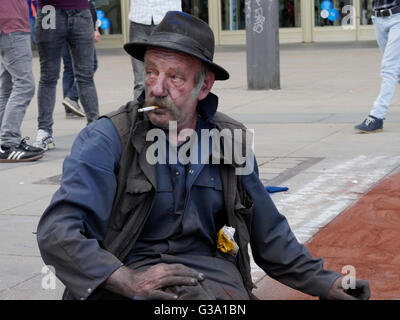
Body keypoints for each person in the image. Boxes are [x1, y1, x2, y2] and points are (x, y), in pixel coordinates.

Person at [37, 12, 370, 300]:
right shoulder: (107, 138)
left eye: (175, 77)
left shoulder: (229, 140)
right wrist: (127, 280)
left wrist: (328, 284)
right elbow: (58, 232)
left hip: (211, 281)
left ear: (205, 85)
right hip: (125, 278)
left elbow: (269, 235)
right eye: (151, 71)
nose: (156, 88)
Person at [33, 0, 100, 151]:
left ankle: (95, 130)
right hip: (49, 11)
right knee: (48, 75)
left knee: (86, 76)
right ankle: (44, 132)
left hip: (81, 10)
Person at [0, 0, 44, 163]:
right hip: (11, 26)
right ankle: (8, 144)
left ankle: (5, 143)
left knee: (8, 88)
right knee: (24, 85)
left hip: (11, 24)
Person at [355, 0, 400, 133]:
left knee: (389, 68)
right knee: (396, 71)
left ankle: (377, 116)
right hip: (378, 18)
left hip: (398, 17)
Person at [128, 0, 182, 102]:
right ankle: (139, 115)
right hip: (139, 19)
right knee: (140, 80)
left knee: (170, 75)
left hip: (168, 20)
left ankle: (170, 112)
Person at [62, 0, 100, 119]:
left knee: (68, 67)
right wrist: (95, 28)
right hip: (80, 15)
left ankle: (69, 108)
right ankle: (71, 97)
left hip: (60, 16)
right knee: (90, 65)